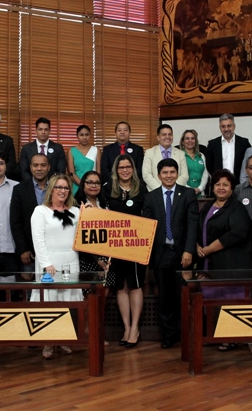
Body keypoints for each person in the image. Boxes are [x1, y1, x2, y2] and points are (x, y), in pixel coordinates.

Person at [143, 158, 199, 349]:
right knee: (165, 299)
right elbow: (147, 227)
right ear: (159, 175)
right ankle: (169, 335)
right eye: (165, 173)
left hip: (182, 254)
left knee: (183, 297)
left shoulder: (188, 194)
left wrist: (189, 250)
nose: (169, 176)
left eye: (172, 172)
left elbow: (192, 225)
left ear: (177, 174)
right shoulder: (150, 197)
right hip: (160, 255)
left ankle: (186, 333)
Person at [198, 169, 252, 351]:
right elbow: (200, 229)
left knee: (229, 301)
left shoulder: (236, 207)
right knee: (210, 300)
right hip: (209, 264)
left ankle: (230, 337)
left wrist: (207, 249)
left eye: (225, 185)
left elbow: (237, 233)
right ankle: (212, 335)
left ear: (232, 188)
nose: (221, 188)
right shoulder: (208, 206)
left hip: (231, 265)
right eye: (218, 184)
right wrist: (197, 245)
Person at [30, 174, 83, 358]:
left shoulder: (76, 212)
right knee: (50, 303)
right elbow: (37, 240)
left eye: (66, 188)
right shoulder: (40, 211)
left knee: (68, 302)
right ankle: (48, 343)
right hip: (50, 263)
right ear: (51, 189)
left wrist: (91, 211)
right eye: (59, 187)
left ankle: (64, 339)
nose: (62, 191)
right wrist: (46, 264)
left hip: (71, 262)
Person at [103, 155, 147, 348]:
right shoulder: (107, 189)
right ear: (116, 169)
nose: (125, 170)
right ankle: (126, 327)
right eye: (121, 167)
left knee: (135, 285)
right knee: (121, 287)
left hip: (137, 245)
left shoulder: (142, 189)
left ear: (133, 168)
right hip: (115, 246)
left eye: (128, 166)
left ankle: (135, 328)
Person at [11, 154, 50, 273]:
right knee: (30, 290)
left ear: (49, 167)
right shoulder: (19, 189)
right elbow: (15, 222)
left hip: (53, 249)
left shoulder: (57, 188)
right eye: (35, 165)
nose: (39, 168)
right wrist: (23, 249)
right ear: (30, 167)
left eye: (43, 165)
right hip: (29, 251)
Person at [206, 114, 252, 185]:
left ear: (234, 126)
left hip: (239, 184)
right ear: (220, 128)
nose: (226, 129)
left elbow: (249, 162)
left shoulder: (244, 143)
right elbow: (209, 165)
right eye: (223, 126)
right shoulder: (212, 144)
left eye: (229, 126)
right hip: (219, 185)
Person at [143, 124, 189, 191]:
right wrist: (161, 190)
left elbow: (184, 176)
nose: (167, 137)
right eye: (164, 134)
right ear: (158, 137)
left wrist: (173, 189)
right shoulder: (149, 153)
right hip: (155, 192)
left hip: (176, 193)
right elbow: (146, 174)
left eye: (170, 134)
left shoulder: (180, 154)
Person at [67, 124, 100, 194]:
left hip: (93, 187)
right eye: (81, 135)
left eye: (87, 135)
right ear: (77, 136)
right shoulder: (71, 151)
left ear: (90, 135)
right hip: (76, 186)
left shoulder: (96, 150)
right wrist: (83, 186)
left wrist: (91, 186)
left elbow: (98, 172)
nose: (84, 137)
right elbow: (71, 173)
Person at [180, 129, 209, 197]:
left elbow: (205, 175)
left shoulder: (201, 156)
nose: (190, 141)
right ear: (182, 142)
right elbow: (178, 176)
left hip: (200, 194)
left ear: (195, 141)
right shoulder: (179, 156)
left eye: (192, 138)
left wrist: (200, 188)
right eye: (187, 138)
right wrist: (190, 189)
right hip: (184, 193)